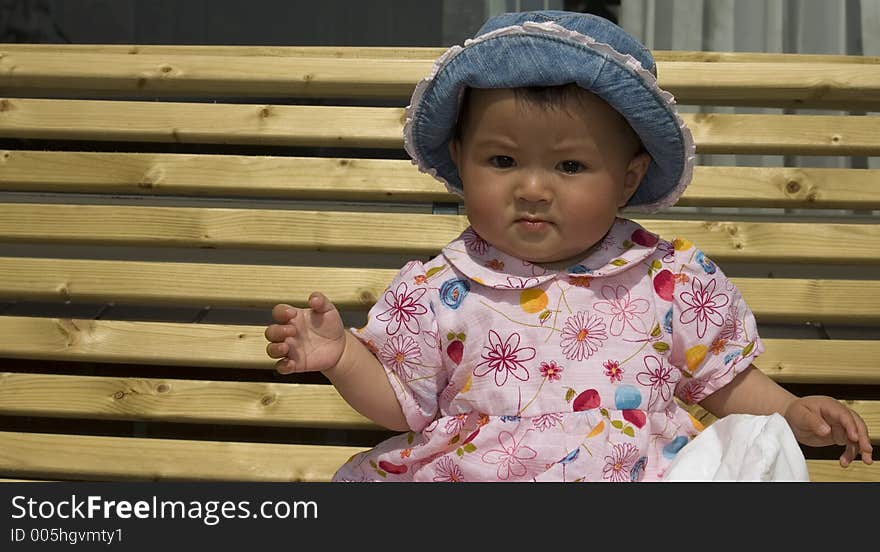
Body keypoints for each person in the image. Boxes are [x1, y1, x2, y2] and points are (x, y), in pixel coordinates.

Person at [264, 10, 873, 481]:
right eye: (502, 160)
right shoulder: (439, 292)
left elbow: (721, 381)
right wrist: (343, 359)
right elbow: (404, 407)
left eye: (571, 165)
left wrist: (791, 413)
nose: (533, 188)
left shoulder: (666, 281)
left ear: (628, 179)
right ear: (459, 161)